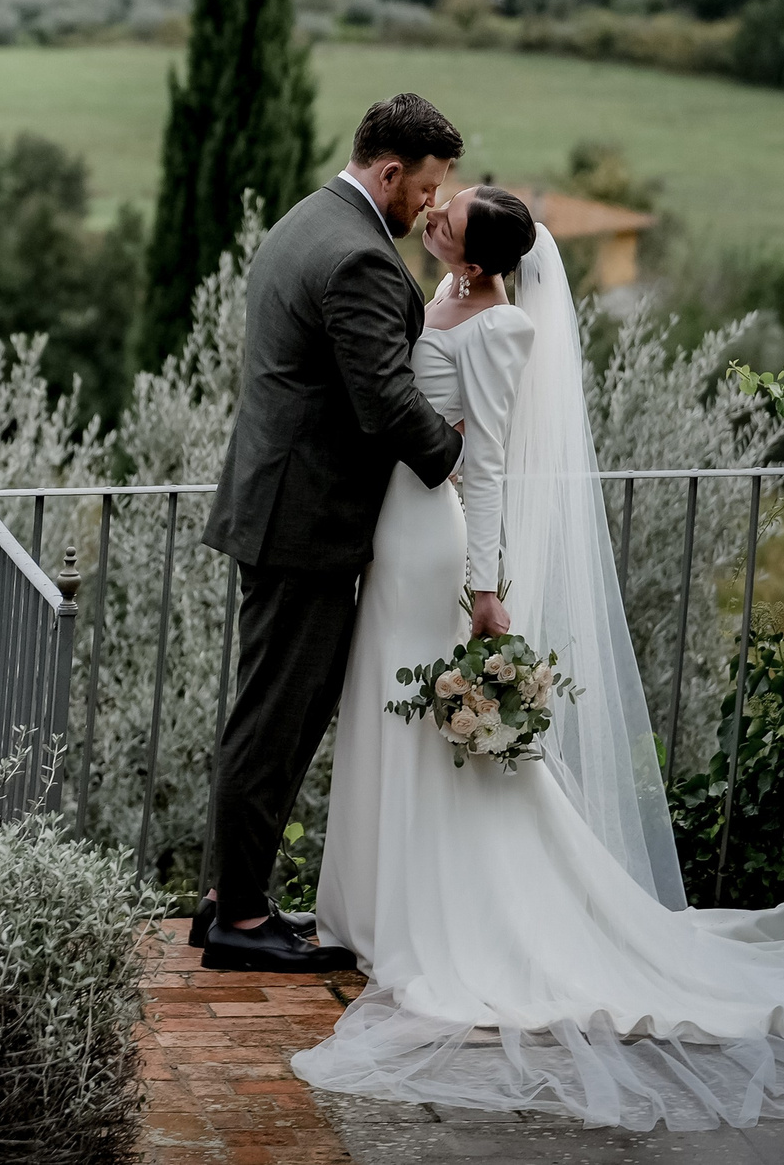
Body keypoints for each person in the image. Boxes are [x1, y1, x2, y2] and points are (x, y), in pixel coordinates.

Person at [290, 184, 784, 1129]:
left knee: (421, 720)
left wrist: (484, 587)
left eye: (452, 218)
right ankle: (371, 910)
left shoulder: (503, 328)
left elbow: (493, 459)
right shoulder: (443, 296)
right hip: (389, 534)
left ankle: (434, 920)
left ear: (477, 259)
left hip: (431, 541)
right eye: (444, 202)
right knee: (386, 710)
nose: (435, 213)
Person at [195, 93, 467, 975]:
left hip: (280, 508)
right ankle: (238, 916)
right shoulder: (357, 257)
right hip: (304, 522)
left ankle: (224, 898)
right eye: (426, 189)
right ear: (390, 172)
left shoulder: (304, 221)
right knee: (275, 718)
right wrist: (450, 452)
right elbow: (384, 400)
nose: (431, 206)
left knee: (271, 708)